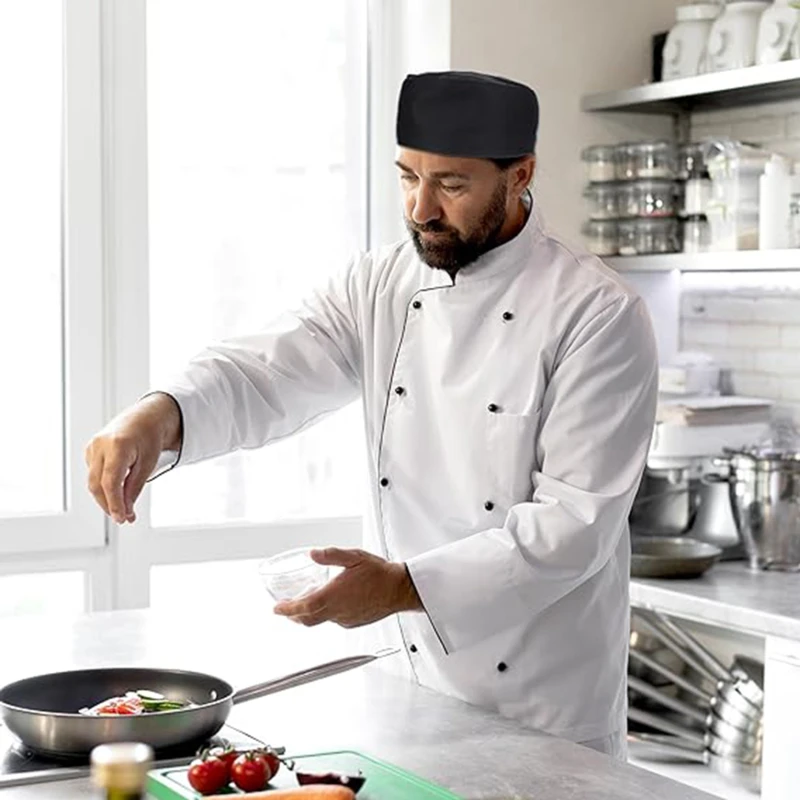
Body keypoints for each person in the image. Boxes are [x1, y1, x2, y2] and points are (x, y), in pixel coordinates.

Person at [86, 71, 658, 759]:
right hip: (412, 693)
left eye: (451, 183)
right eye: (407, 176)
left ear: (521, 173)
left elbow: (571, 529)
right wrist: (160, 415)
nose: (421, 207)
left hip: (547, 713)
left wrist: (397, 586)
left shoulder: (597, 313)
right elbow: (264, 371)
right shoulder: (381, 283)